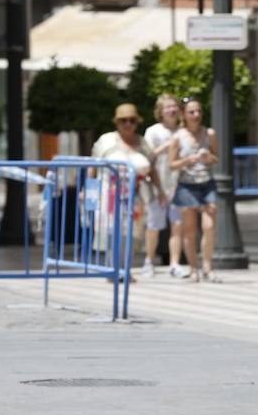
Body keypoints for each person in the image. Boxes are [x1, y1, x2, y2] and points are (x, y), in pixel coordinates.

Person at [89, 103, 162, 273]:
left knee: (131, 233)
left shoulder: (143, 143)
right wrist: (88, 190)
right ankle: (112, 268)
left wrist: (160, 192)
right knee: (110, 232)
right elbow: (92, 166)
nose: (128, 124)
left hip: (136, 195)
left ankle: (125, 269)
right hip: (109, 194)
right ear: (117, 122)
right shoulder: (106, 140)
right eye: (124, 121)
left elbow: (152, 168)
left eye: (132, 120)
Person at [169, 99, 221, 283]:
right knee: (189, 230)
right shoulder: (178, 137)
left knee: (209, 226)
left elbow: (216, 158)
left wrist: (209, 158)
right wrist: (186, 161)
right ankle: (193, 269)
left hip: (206, 183)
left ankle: (207, 267)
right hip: (187, 186)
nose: (196, 115)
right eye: (191, 112)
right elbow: (171, 164)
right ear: (184, 114)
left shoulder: (209, 133)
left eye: (198, 111)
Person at [142, 94, 185, 278]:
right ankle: (149, 261)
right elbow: (147, 157)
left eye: (174, 106)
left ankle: (174, 263)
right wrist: (167, 145)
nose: (172, 110)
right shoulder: (153, 131)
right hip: (155, 185)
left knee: (177, 224)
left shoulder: (183, 131)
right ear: (160, 111)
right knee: (154, 225)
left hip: (177, 185)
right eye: (168, 107)